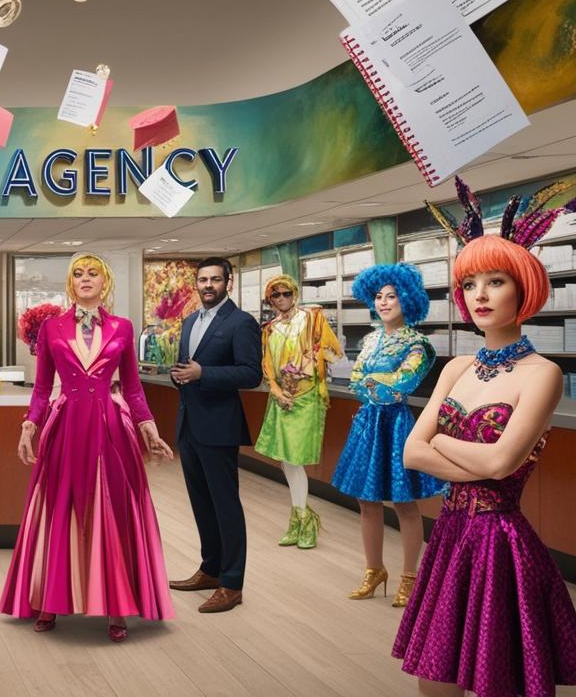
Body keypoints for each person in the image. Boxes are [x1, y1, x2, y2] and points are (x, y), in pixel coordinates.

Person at [394, 178, 576, 696]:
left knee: (497, 679)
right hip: (449, 536)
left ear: (523, 288)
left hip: (500, 542)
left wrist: (440, 446)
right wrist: (457, 453)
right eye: (471, 283)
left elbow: (501, 465)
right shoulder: (456, 367)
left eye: (495, 281)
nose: (479, 294)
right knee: (434, 682)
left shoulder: (542, 374)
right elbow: (411, 451)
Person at [0, 253, 175, 642]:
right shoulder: (51, 328)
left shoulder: (123, 328)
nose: (85, 278)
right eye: (78, 273)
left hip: (110, 425)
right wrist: (30, 425)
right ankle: (48, 600)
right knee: (60, 508)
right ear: (70, 283)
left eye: (93, 273)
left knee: (111, 509)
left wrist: (149, 429)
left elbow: (132, 387)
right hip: (65, 425)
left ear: (105, 282)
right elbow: (43, 386)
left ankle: (117, 605)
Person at [329, 263, 443, 606]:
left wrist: (372, 383)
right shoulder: (370, 338)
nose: (383, 302)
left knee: (405, 504)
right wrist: (375, 383)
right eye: (378, 296)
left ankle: (410, 577)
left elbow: (403, 385)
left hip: (395, 426)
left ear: (407, 299)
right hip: (367, 424)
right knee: (367, 502)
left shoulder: (420, 344)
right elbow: (355, 381)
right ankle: (374, 569)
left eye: (391, 296)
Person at [168, 256, 261, 613]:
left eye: (215, 280)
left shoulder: (241, 323)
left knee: (226, 506)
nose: (208, 285)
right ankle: (210, 568)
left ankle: (232, 582)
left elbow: (250, 374)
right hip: (189, 425)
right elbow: (185, 366)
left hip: (219, 427)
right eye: (203, 280)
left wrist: (203, 373)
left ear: (229, 283)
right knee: (201, 504)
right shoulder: (191, 320)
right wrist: (183, 376)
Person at [253, 274, 343, 549]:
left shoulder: (312, 318)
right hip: (282, 399)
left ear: (295, 294)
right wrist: (279, 393)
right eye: (275, 295)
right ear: (270, 299)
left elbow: (334, 352)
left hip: (306, 396)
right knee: (286, 461)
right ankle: (298, 518)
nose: (281, 299)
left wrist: (309, 363)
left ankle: (304, 520)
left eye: (286, 293)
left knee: (295, 459)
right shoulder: (269, 329)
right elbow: (267, 367)